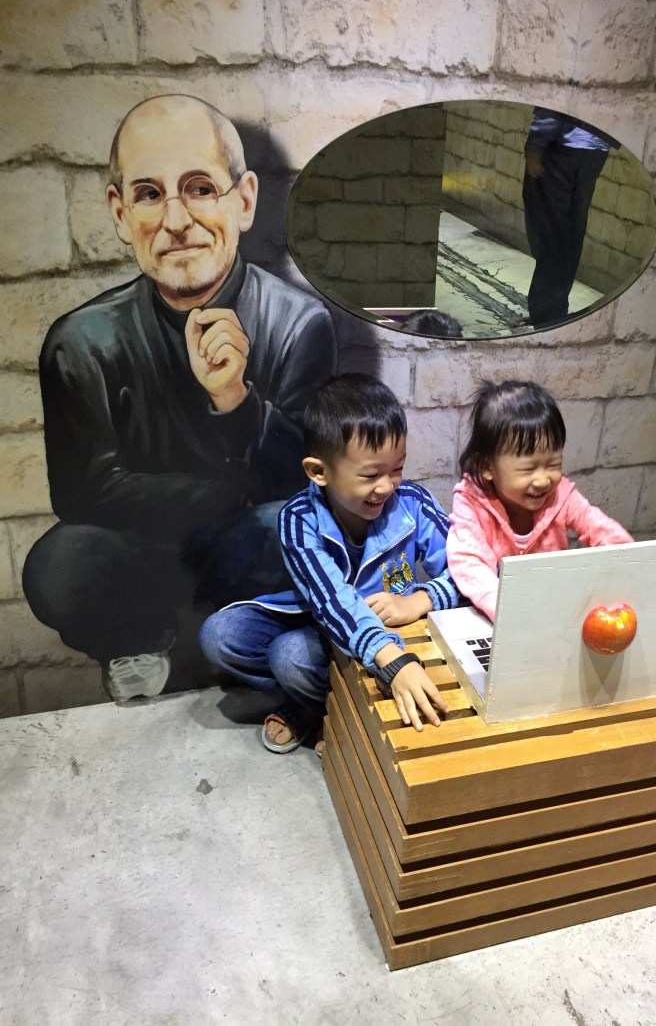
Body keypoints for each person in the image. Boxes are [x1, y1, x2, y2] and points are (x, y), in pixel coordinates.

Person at [23, 94, 336, 703]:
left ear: (244, 201)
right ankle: (144, 641)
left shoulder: (299, 323)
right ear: (120, 214)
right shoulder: (80, 342)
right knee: (59, 564)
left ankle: (213, 650)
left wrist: (236, 401)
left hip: (247, 549)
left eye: (199, 188)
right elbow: (84, 493)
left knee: (290, 532)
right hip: (139, 554)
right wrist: (222, 496)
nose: (176, 220)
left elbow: (306, 481)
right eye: (149, 194)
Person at [198, 373, 461, 753]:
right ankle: (318, 706)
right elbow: (331, 602)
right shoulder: (299, 518)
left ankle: (320, 711)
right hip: (325, 618)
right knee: (220, 635)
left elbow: (468, 572)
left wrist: (421, 599)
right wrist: (392, 662)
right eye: (370, 475)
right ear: (318, 472)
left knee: (290, 656)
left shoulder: (413, 504)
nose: (387, 486)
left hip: (388, 629)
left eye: (397, 468)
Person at [447, 380, 633, 621]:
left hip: (555, 611)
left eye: (553, 465)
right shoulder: (471, 501)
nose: (543, 480)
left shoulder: (562, 495)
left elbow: (605, 533)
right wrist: (507, 610)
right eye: (528, 469)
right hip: (496, 617)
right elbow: (468, 562)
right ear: (487, 467)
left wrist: (626, 567)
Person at [522, 109, 614, 328]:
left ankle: (546, 319)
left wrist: (535, 146)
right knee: (571, 234)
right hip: (595, 149)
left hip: (561, 146)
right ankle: (554, 313)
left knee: (550, 235)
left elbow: (557, 102)